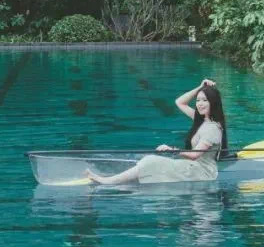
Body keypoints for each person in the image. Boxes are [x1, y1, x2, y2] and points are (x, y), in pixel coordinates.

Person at [86, 78, 229, 185]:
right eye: (198, 100)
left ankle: (108, 181)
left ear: (213, 102)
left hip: (202, 172)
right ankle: (113, 180)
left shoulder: (212, 128)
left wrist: (172, 150)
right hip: (192, 166)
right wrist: (200, 87)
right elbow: (180, 102)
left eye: (204, 100)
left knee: (150, 161)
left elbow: (194, 155)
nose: (200, 104)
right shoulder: (201, 120)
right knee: (149, 160)